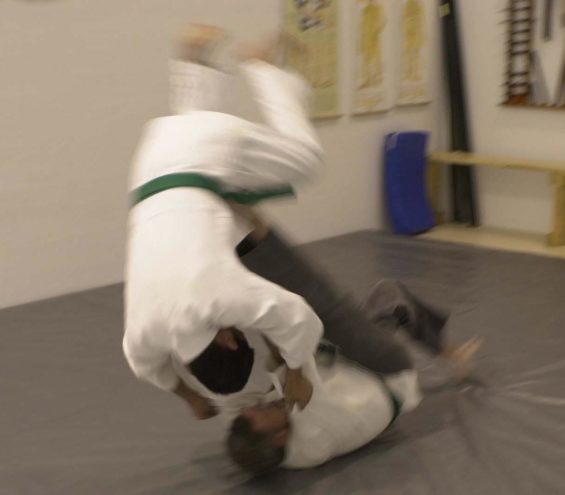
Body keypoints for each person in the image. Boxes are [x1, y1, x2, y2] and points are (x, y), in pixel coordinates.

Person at [123, 25, 327, 416]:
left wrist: (298, 372)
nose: (236, 325)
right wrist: (193, 398)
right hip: (153, 160)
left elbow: (298, 317)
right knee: (197, 120)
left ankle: (262, 69)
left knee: (306, 161)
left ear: (230, 342)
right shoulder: (144, 333)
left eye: (237, 333)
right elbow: (146, 367)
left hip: (202, 161)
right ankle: (192, 61)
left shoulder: (216, 299)